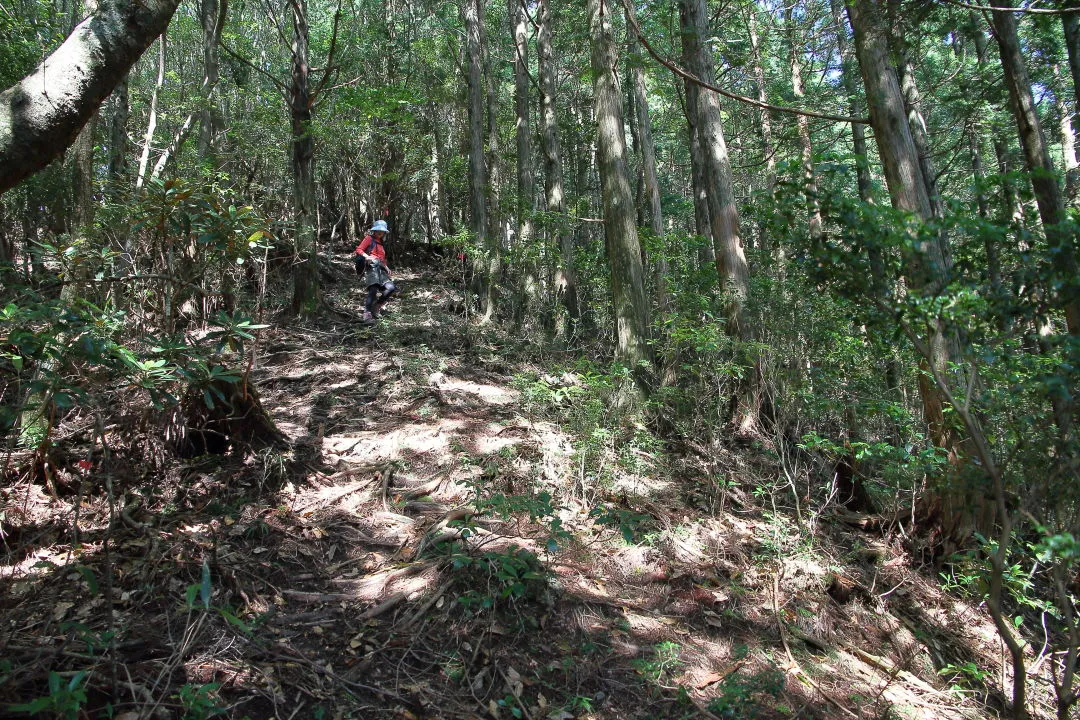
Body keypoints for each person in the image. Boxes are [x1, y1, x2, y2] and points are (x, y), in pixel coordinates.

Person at [355, 220, 399, 321]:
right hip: (371, 266)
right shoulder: (369, 238)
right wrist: (367, 257)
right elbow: (359, 249)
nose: (380, 232)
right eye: (378, 230)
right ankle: (367, 312)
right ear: (374, 231)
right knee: (373, 288)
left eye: (382, 231)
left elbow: (382, 259)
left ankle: (377, 307)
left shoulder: (381, 243)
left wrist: (386, 267)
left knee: (391, 288)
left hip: (381, 268)